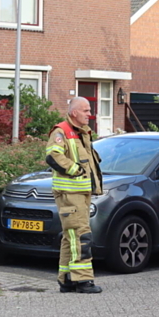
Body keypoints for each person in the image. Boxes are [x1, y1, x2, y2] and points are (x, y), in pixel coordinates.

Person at [45, 97, 104, 294]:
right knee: (81, 235)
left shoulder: (82, 133)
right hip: (71, 193)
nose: (90, 114)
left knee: (70, 236)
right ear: (74, 113)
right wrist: (75, 170)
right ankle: (83, 280)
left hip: (80, 192)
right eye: (86, 110)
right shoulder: (62, 131)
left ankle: (66, 279)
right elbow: (53, 155)